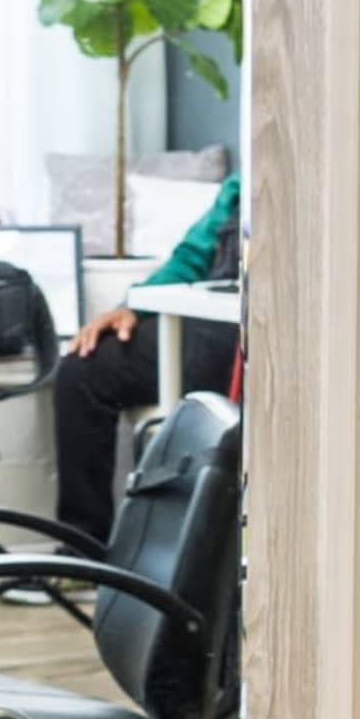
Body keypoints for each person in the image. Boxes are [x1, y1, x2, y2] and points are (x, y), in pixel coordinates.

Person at [53, 171, 240, 545]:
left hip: (245, 337)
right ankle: (82, 550)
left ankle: (191, 554)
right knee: (82, 369)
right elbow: (190, 257)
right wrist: (132, 307)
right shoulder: (238, 187)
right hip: (202, 320)